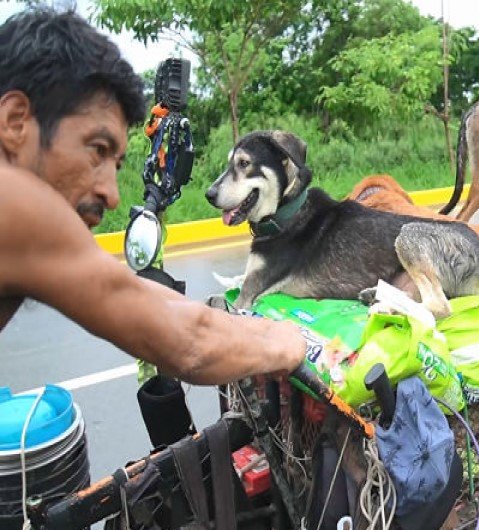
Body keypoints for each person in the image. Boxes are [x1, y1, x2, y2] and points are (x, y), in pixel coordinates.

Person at [0, 9, 306, 385]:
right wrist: (287, 342)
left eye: (116, 163)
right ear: (15, 121)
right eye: (97, 149)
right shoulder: (11, 204)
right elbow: (190, 345)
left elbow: (127, 291)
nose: (112, 196)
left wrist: (236, 325)